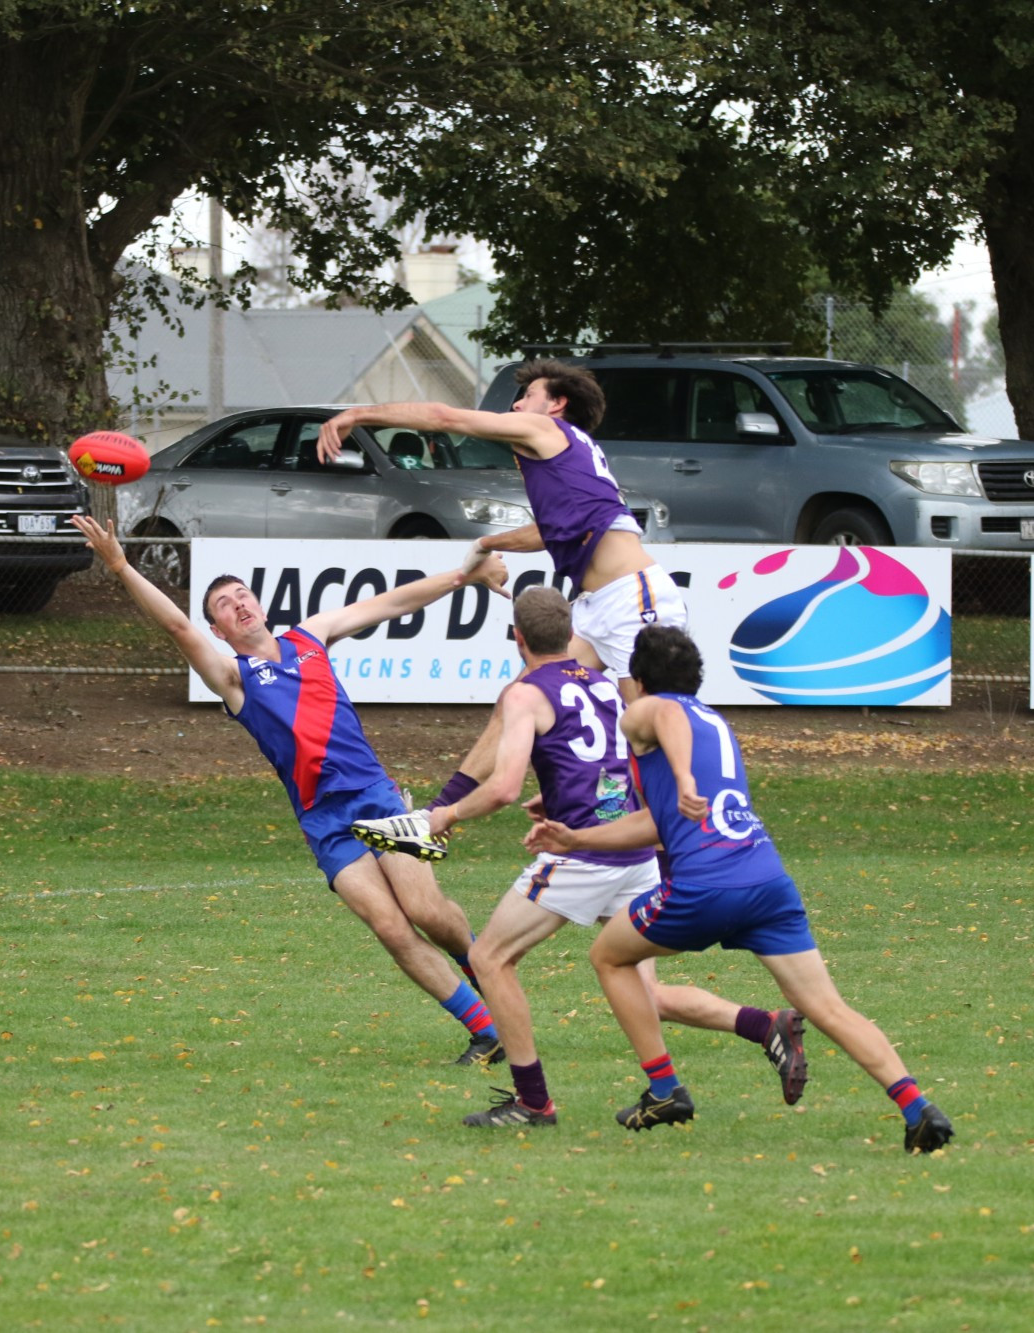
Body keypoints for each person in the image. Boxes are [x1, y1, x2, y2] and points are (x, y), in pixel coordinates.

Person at [71, 514, 511, 1066]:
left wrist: (464, 576)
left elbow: (394, 603)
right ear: (220, 631)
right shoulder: (234, 680)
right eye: (225, 608)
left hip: (375, 797)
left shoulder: (311, 637)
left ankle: (487, 968)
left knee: (426, 909)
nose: (239, 606)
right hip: (324, 822)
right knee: (390, 929)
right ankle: (487, 1031)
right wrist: (119, 565)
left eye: (242, 595)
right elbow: (178, 629)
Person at [525, 624, 953, 1151]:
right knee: (828, 1007)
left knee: (609, 957)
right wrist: (576, 837)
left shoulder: (647, 711)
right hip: (767, 882)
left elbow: (663, 716)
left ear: (637, 680)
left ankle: (663, 1089)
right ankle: (918, 1109)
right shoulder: (714, 722)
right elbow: (658, 824)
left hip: (707, 886)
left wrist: (682, 777)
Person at [414, 587, 807, 1129]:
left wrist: (445, 815)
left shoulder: (524, 692)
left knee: (490, 959)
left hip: (583, 855)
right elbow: (615, 763)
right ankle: (762, 1026)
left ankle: (533, 1102)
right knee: (640, 988)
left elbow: (503, 788)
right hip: (633, 850)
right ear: (571, 633)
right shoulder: (602, 683)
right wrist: (557, 794)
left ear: (518, 637)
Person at [322, 359, 687, 861]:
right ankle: (434, 819)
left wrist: (357, 415)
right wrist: (489, 542)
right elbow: (550, 531)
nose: (516, 406)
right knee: (519, 696)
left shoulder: (546, 429)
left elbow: (444, 417)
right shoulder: (568, 458)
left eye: (527, 395)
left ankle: (681, 864)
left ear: (555, 404)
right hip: (600, 605)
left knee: (647, 732)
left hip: (634, 598)